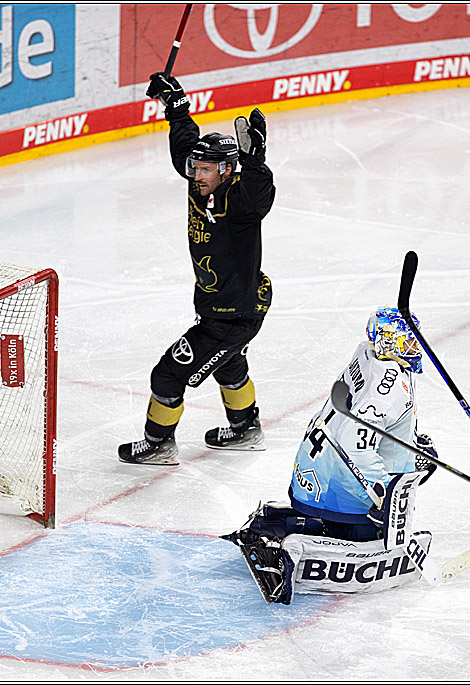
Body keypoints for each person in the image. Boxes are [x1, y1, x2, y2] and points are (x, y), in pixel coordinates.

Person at [223, 307, 439, 603]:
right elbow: (357, 447)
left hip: (312, 475)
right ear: (389, 343)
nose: (417, 346)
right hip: (339, 491)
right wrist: (381, 493)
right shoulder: (385, 390)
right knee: (369, 537)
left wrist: (408, 443)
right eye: (409, 340)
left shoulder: (368, 354)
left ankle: (276, 522)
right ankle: (292, 547)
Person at [118, 72, 275, 465]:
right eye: (195, 168)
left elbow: (260, 199)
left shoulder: (240, 201)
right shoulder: (199, 181)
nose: (195, 175)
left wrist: (255, 161)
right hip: (226, 309)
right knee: (230, 364)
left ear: (226, 171)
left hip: (231, 316)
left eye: (205, 170)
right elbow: (184, 148)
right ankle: (245, 429)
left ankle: (158, 443)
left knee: (167, 376)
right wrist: (176, 107)